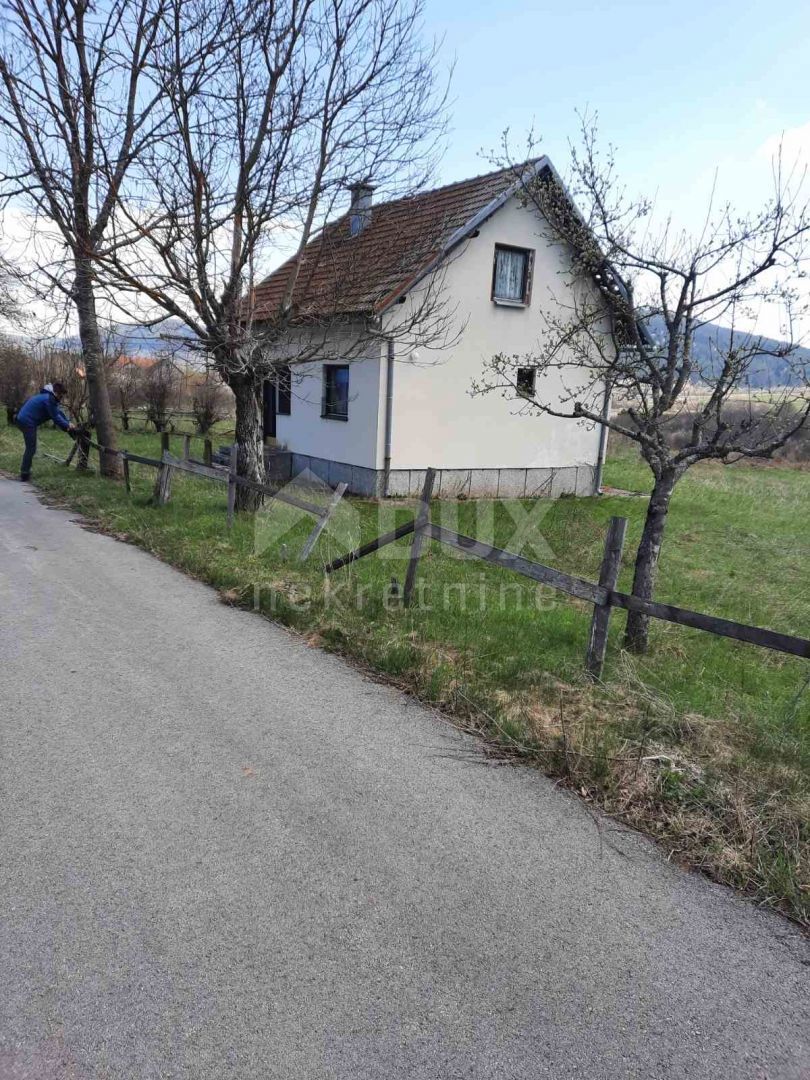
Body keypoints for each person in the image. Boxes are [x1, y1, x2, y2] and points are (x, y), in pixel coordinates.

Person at [15, 381, 76, 481]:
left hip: (24, 419)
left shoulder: (48, 398)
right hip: (26, 421)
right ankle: (24, 474)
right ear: (56, 392)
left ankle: (25, 472)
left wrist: (68, 424)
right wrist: (68, 426)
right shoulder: (49, 399)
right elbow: (56, 417)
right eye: (61, 395)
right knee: (31, 448)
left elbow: (59, 413)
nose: (62, 397)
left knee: (31, 447)